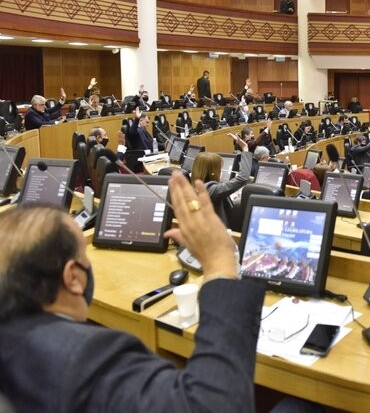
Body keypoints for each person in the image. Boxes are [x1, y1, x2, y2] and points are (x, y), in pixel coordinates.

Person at [0, 174, 267, 412]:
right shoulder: (79, 357)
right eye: (84, 255)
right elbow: (215, 405)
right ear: (72, 277)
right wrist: (219, 262)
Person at [191, 133, 253, 227]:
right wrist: (245, 149)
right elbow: (243, 178)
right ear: (212, 171)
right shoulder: (211, 190)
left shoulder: (193, 186)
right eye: (219, 169)